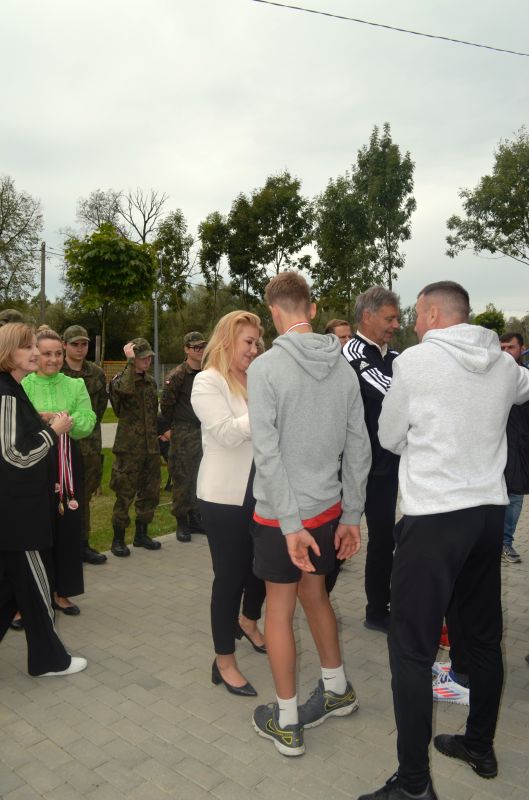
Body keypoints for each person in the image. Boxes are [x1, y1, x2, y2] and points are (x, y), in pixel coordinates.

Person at [361, 281, 529, 800]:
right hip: (487, 516)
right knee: (483, 639)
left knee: (411, 650)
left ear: (434, 313)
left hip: (433, 518)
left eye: (416, 314)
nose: (412, 324)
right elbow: (523, 390)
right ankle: (479, 745)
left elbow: (389, 436)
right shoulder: (504, 364)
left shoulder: (414, 363)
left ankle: (414, 785)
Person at [247, 272, 371, 757]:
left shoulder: (265, 368)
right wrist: (352, 514)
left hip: (282, 518)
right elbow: (359, 447)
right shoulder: (344, 367)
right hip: (327, 510)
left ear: (273, 312)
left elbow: (267, 453)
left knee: (278, 610)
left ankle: (287, 720)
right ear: (313, 309)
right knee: (315, 595)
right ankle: (337, 689)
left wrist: (290, 525)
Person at [0, 323, 87, 676]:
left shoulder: (12, 389)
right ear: (9, 352)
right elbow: (13, 455)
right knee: (37, 588)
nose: (36, 353)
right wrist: (52, 432)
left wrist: (38, 421)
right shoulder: (7, 393)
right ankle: (49, 660)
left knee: (9, 588)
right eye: (29, 347)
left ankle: (46, 658)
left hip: (15, 511)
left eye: (36, 346)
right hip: (20, 514)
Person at [191, 311, 266, 698]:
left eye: (257, 342)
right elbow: (224, 433)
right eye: (248, 342)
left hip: (264, 490)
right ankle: (223, 661)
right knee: (230, 578)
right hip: (224, 497)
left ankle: (249, 621)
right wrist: (267, 411)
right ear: (226, 341)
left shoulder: (259, 378)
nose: (254, 349)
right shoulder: (208, 381)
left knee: (264, 570)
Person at [22, 329, 96, 616]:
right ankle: (23, 600)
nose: (53, 359)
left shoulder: (75, 385)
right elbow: (19, 423)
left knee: (66, 525)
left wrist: (57, 420)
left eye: (57, 354)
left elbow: (87, 420)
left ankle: (61, 592)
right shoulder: (23, 384)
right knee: (32, 528)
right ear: (35, 354)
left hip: (66, 461)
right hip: (33, 463)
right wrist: (53, 421)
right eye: (46, 354)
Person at [342, 286, 400, 633]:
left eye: (397, 318)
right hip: (350, 468)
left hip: (386, 467)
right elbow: (389, 392)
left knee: (383, 539)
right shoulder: (351, 353)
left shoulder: (396, 357)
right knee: (337, 539)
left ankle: (377, 610)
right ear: (367, 316)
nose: (396, 325)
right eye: (389, 318)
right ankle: (313, 598)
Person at [109, 338, 161, 556]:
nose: (147, 360)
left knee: (150, 492)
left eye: (149, 357)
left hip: (150, 448)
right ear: (133, 359)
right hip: (129, 448)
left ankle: (141, 534)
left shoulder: (151, 383)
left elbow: (153, 413)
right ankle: (118, 539)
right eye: (142, 357)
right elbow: (123, 392)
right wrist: (130, 363)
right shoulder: (121, 380)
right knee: (124, 493)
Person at [61, 325, 108, 565]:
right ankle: (62, 546)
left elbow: (99, 408)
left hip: (89, 445)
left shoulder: (96, 373)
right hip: (62, 443)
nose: (80, 349)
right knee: (60, 495)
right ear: (64, 345)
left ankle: (82, 544)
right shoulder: (56, 371)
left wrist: (86, 426)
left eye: (84, 344)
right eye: (75, 344)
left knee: (84, 496)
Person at [160, 331, 206, 543]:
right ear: (186, 349)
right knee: (182, 476)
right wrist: (172, 427)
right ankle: (181, 521)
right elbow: (166, 405)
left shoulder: (207, 371)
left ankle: (195, 518)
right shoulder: (178, 374)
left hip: (204, 429)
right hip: (184, 431)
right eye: (195, 347)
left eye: (202, 346)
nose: (200, 350)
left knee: (199, 475)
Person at [499, 332, 529, 564]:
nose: (506, 352)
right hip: (496, 446)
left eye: (511, 347)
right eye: (502, 348)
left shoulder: (526, 378)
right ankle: (491, 542)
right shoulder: (490, 378)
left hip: (521, 446)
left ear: (522, 349)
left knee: (516, 495)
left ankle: (505, 542)